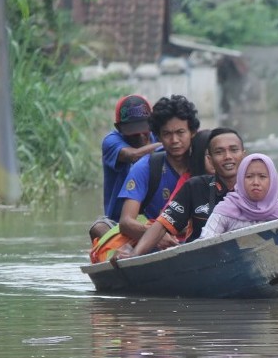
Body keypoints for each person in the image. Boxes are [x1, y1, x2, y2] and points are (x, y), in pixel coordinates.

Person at [115, 127, 247, 258]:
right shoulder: (194, 187)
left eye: (234, 150)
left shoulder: (259, 184)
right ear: (210, 159)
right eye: (219, 152)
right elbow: (162, 225)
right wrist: (135, 253)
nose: (228, 157)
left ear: (244, 154)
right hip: (200, 260)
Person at [115, 94, 200, 247]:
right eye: (167, 134)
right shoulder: (145, 167)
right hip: (158, 246)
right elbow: (126, 222)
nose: (174, 140)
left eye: (180, 132)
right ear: (158, 136)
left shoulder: (204, 163)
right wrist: (156, 236)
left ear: (192, 132)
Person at [89, 94, 161, 241]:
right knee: (98, 227)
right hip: (119, 223)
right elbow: (133, 155)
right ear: (119, 128)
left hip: (157, 219)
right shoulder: (111, 141)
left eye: (144, 130)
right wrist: (168, 145)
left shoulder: (160, 135)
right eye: (134, 133)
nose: (141, 137)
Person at [200, 153, 278, 239]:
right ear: (241, 179)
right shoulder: (225, 209)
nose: (255, 182)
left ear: (272, 181)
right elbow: (205, 243)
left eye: (262, 176)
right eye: (249, 176)